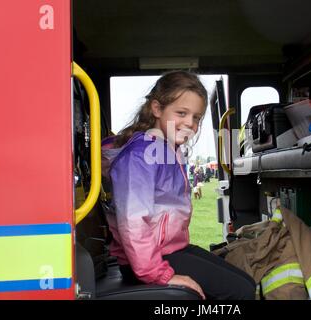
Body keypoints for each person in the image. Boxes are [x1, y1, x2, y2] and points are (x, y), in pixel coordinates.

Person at [101, 71, 256, 300]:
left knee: (247, 283)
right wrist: (160, 275)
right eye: (181, 113)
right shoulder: (140, 156)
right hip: (147, 260)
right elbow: (133, 224)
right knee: (240, 292)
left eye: (196, 117)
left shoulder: (167, 149)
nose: (190, 124)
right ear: (156, 109)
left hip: (171, 250)